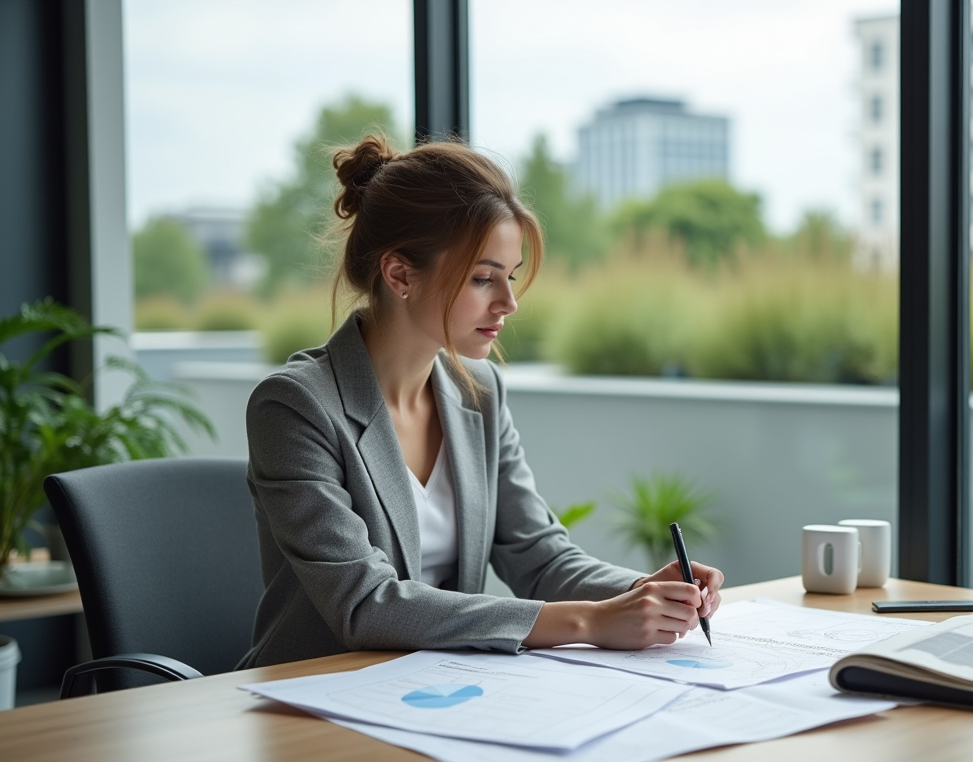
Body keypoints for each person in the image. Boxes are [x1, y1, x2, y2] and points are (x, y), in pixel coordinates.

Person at [239, 135, 723, 668]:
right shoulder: (294, 407)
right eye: (482, 278)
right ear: (399, 274)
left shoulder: (481, 393)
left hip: (442, 690)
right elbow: (364, 604)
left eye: (509, 277)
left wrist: (642, 592)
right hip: (317, 697)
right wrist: (590, 621)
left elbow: (538, 556)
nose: (509, 302)